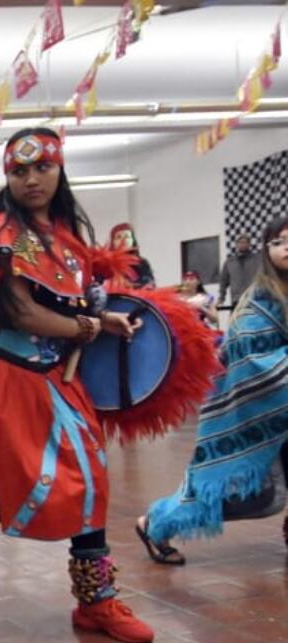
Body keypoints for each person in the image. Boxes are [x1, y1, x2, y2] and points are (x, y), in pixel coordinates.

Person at [0, 127, 155, 643]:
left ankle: (96, 601)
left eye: (42, 168)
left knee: (90, 478)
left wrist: (100, 321)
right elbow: (22, 312)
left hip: (54, 379)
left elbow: (74, 305)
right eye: (19, 170)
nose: (32, 179)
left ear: (60, 170)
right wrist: (87, 328)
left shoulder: (67, 237)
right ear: (7, 177)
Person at [136, 214, 288, 564]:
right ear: (267, 249)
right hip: (254, 415)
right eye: (279, 242)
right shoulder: (259, 301)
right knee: (245, 493)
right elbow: (250, 363)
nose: (286, 248)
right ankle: (154, 523)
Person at [109, 223, 155, 289]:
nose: (123, 240)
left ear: (133, 240)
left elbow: (150, 284)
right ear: (112, 242)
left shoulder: (142, 262)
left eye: (127, 236)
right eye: (119, 237)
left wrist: (130, 285)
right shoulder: (106, 264)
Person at [220, 233, 260, 306]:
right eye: (241, 242)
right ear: (237, 244)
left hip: (255, 298)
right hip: (237, 299)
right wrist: (221, 298)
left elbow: (265, 277)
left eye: (245, 242)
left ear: (249, 244)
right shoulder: (230, 262)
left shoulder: (257, 260)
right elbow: (223, 282)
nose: (243, 244)